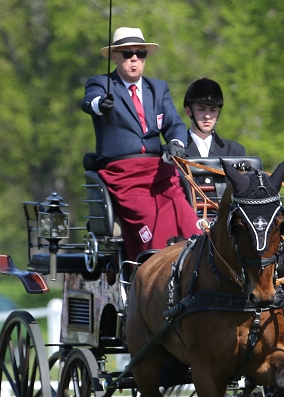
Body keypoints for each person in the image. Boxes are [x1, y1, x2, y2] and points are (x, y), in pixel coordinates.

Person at [81, 26, 200, 261]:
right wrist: (99, 104)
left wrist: (176, 142)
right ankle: (157, 273)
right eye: (127, 54)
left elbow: (174, 123)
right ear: (115, 57)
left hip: (159, 171)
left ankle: (196, 276)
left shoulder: (158, 88)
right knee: (153, 223)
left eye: (140, 54)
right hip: (124, 175)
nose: (134, 59)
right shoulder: (102, 84)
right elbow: (89, 102)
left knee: (189, 221)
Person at [183, 78, 245, 157]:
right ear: (188, 111)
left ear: (218, 112)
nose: (207, 116)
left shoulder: (234, 151)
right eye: (201, 109)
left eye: (213, 110)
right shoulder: (172, 151)